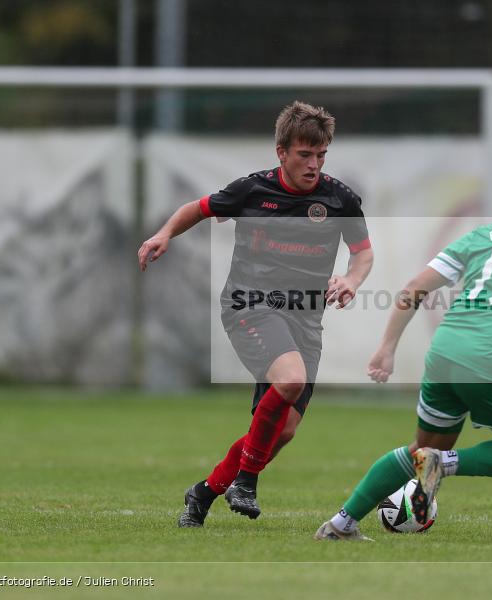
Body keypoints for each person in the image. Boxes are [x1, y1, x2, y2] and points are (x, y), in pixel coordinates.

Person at [314, 151, 492, 541]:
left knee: (420, 449)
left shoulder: (483, 235)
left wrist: (387, 348)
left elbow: (414, 289)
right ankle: (445, 463)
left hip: (445, 352)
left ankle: (341, 524)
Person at [138, 101, 374, 527]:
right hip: (249, 304)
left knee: (281, 432)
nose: (314, 164)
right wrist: (164, 233)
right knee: (291, 379)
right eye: (305, 154)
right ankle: (246, 482)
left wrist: (352, 280)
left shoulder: (339, 198)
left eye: (321, 155)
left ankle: (204, 493)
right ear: (281, 151)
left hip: (304, 318)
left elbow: (363, 253)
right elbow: (200, 207)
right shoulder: (252, 190)